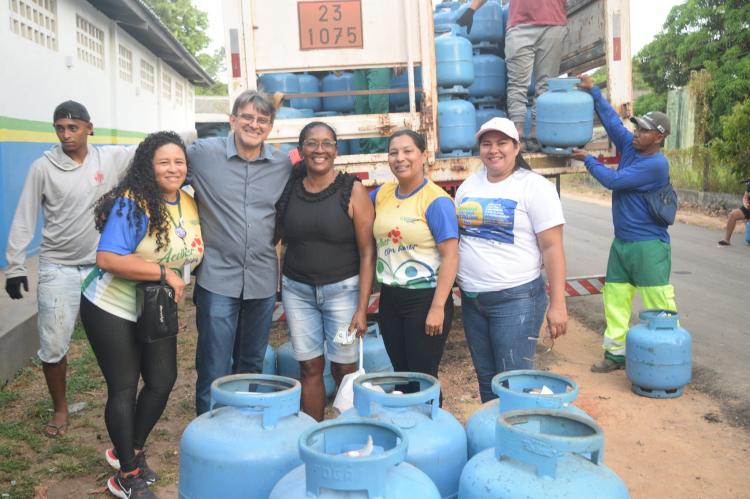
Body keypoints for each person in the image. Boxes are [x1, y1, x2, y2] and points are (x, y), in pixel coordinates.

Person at [80, 131, 202, 499]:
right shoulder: (133, 203)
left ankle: (125, 449)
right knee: (123, 386)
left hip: (154, 310)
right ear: (148, 165)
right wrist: (164, 273)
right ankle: (128, 474)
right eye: (163, 161)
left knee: (163, 380)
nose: (172, 168)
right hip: (110, 306)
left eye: (178, 161)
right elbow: (109, 258)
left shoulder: (189, 201)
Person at [4, 101, 134, 437]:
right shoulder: (42, 168)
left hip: (102, 268)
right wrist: (15, 266)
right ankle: (60, 408)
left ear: (89, 128)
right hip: (57, 268)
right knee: (53, 344)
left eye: (72, 127)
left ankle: (121, 401)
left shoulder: (110, 159)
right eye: (60, 128)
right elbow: (24, 215)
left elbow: (150, 150)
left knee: (118, 339)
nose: (66, 134)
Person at [187, 90, 292, 415]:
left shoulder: (281, 164)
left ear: (270, 127)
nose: (254, 124)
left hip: (261, 279)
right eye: (246, 117)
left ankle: (244, 423)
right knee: (214, 362)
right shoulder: (202, 155)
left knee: (252, 361)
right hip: (218, 277)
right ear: (232, 120)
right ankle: (209, 426)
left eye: (262, 120)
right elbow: (159, 163)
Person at [456, 117, 568, 403]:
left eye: (502, 143)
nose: (494, 150)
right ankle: (492, 442)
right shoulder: (469, 185)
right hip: (472, 300)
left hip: (516, 299)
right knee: (487, 382)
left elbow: (553, 248)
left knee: (513, 383)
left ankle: (516, 441)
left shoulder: (534, 187)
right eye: (486, 144)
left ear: (516, 147)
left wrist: (558, 304)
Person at [572, 74, 678, 373]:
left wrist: (589, 159)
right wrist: (595, 93)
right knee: (615, 298)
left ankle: (667, 357)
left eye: (644, 130)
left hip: (648, 245)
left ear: (657, 138)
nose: (636, 132)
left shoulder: (656, 164)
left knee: (658, 302)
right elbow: (613, 124)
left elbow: (614, 180)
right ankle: (615, 354)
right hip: (622, 244)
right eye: (638, 127)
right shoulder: (632, 147)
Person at [275, 121, 375, 421]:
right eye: (311, 143)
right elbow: (276, 239)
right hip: (298, 291)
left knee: (344, 368)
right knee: (308, 367)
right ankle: (314, 434)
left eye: (327, 143)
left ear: (336, 149)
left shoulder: (352, 190)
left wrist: (362, 308)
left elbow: (367, 252)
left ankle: (348, 433)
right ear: (300, 150)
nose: (319, 149)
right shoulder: (290, 189)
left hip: (343, 291)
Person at [370, 129, 458, 394]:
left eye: (408, 151)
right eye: (394, 152)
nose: (400, 158)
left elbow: (451, 256)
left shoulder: (436, 201)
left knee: (423, 377)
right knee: (401, 373)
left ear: (423, 156)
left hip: (424, 299)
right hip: (390, 298)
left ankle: (431, 429)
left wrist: (438, 307)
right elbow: (351, 208)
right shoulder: (383, 194)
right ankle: (409, 429)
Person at [458, 0, 567, 150]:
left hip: (553, 23)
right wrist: (472, 10)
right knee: (517, 84)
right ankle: (517, 136)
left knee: (546, 84)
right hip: (519, 26)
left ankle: (538, 135)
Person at [353, 68, 393, 153]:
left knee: (378, 105)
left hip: (380, 58)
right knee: (361, 108)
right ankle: (364, 154)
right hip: (358, 59)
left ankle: (377, 154)